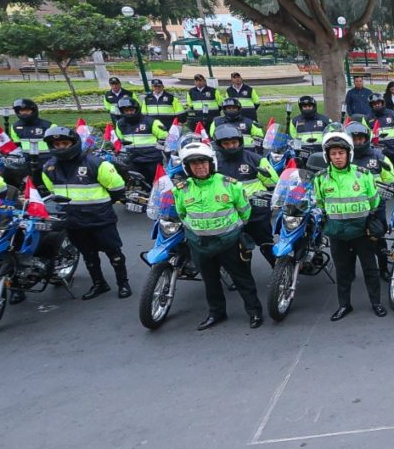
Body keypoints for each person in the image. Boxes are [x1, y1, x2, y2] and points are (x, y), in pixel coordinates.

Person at [172, 141, 264, 331]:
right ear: (187, 167)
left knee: (242, 279)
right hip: (199, 244)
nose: (200, 166)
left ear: (211, 162)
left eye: (203, 162)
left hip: (228, 242)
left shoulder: (230, 185)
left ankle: (254, 312)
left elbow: (244, 212)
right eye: (194, 164)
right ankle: (216, 313)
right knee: (210, 281)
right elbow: (181, 214)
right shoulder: (181, 189)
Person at [40, 126, 130, 301]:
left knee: (114, 254)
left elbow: (117, 188)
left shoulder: (96, 163)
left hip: (100, 218)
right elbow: (52, 192)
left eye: (64, 143)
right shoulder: (49, 167)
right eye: (56, 144)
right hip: (73, 221)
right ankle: (99, 284)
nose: (61, 147)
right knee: (88, 256)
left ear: (74, 143)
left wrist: (103, 205)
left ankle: (123, 284)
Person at [313, 131, 387, 320]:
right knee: (343, 272)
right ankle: (344, 305)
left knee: (370, 269)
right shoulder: (321, 178)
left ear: (349, 154)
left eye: (341, 153)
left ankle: (376, 303)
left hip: (362, 231)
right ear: (327, 156)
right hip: (337, 233)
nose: (337, 157)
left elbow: (374, 202)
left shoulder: (364, 175)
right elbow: (321, 204)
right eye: (333, 154)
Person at [213, 125, 279, 266]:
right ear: (219, 145)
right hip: (228, 213)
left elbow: (275, 183)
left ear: (240, 141)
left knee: (266, 243)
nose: (231, 146)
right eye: (226, 143)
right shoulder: (213, 163)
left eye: (234, 142)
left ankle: (281, 272)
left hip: (256, 211)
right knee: (235, 249)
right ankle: (240, 278)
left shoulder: (256, 160)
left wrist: (270, 199)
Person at [346, 122, 394, 277]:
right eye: (353, 139)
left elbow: (390, 180)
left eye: (360, 139)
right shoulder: (344, 158)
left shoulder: (379, 157)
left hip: (375, 207)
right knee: (350, 242)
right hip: (351, 208)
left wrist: (377, 196)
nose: (357, 142)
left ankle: (383, 269)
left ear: (366, 138)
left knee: (378, 238)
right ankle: (351, 272)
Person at [114, 97, 168, 186]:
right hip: (133, 160)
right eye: (126, 111)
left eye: (131, 110)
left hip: (151, 159)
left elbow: (165, 137)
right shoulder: (120, 124)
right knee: (137, 185)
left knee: (157, 183)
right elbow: (120, 140)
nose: (129, 113)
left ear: (136, 109)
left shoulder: (151, 121)